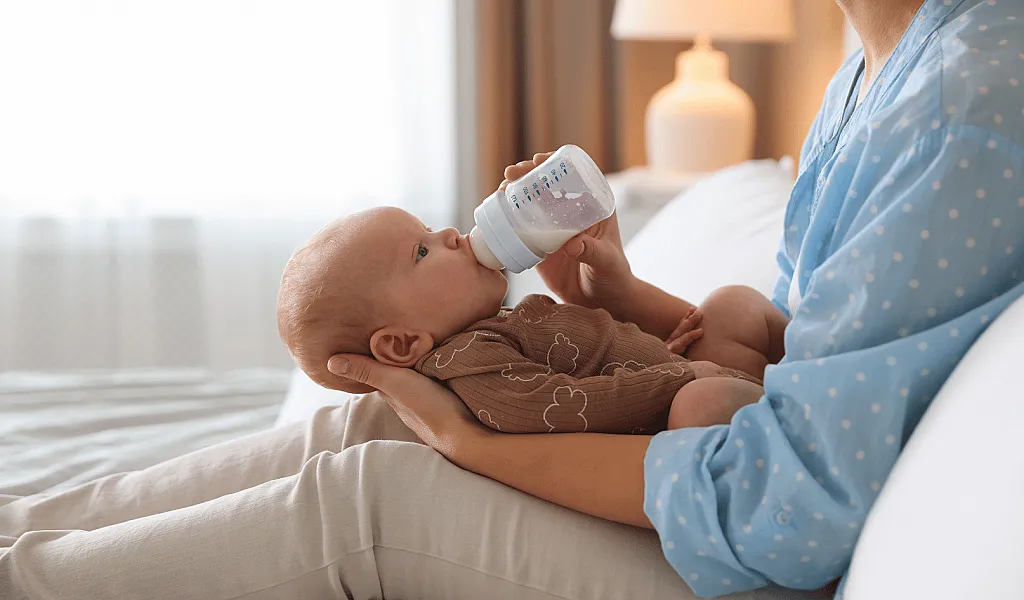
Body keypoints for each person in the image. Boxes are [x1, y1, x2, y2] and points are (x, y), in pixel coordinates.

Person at [1, 0, 1022, 598]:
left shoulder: (958, 100)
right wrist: (623, 294)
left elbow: (783, 498)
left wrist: (472, 449)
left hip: (749, 555)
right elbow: (816, 355)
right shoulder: (872, 63)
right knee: (370, 417)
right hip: (730, 480)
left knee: (371, 494)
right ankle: (24, 532)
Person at [275, 205, 778, 435]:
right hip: (672, 413)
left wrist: (650, 345)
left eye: (430, 227)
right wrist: (674, 377)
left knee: (732, 304)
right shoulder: (469, 365)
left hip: (677, 371)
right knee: (704, 402)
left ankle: (815, 370)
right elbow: (564, 404)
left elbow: (593, 354)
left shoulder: (495, 326)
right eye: (422, 250)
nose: (451, 233)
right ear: (403, 344)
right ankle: (804, 408)